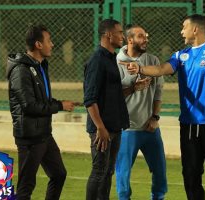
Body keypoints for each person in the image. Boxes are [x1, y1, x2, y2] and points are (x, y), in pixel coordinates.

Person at [124, 14, 205, 200]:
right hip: (188, 126)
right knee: (190, 175)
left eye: (184, 27)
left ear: (195, 29)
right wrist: (139, 68)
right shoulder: (181, 55)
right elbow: (160, 70)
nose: (181, 31)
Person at [6, 24, 75, 200]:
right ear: (38, 44)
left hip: (44, 134)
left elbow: (41, 101)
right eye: (49, 41)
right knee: (26, 187)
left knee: (59, 174)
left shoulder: (39, 66)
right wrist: (60, 107)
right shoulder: (21, 70)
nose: (52, 44)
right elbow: (29, 106)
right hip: (30, 136)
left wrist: (60, 103)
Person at [116, 25, 167, 200]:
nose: (145, 39)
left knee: (160, 172)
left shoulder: (153, 61)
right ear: (129, 40)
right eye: (140, 36)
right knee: (123, 176)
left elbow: (158, 92)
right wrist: (133, 88)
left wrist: (155, 117)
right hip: (126, 129)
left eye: (146, 36)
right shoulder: (116, 62)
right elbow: (112, 97)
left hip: (150, 128)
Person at [83, 19, 129, 200]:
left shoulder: (111, 59)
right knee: (99, 171)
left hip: (114, 127)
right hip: (102, 129)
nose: (123, 36)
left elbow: (113, 94)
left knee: (108, 171)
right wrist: (100, 128)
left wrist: (134, 88)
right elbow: (89, 100)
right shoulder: (97, 61)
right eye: (119, 32)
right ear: (108, 35)